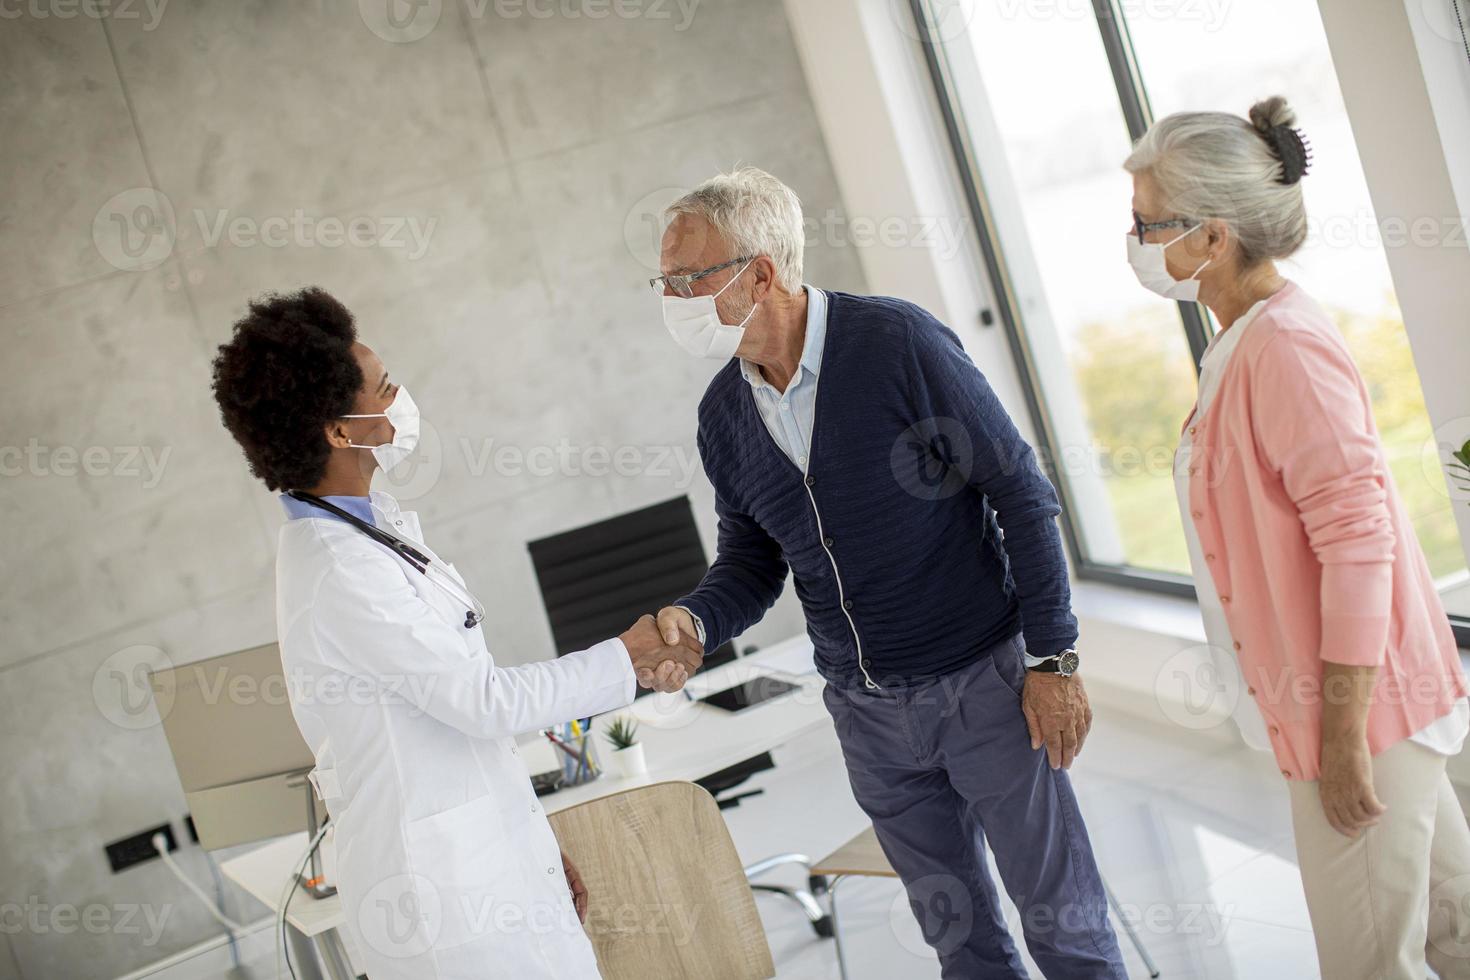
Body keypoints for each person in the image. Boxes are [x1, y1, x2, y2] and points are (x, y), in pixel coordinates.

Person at [651, 167, 1127, 978]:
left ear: (760, 272)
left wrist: (1053, 659)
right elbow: (752, 557)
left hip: (986, 685)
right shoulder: (722, 413)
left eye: (688, 279)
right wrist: (697, 620)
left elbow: (1020, 491)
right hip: (867, 716)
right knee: (960, 945)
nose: (672, 299)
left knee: (1064, 929)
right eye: (663, 282)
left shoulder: (895, 344)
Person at [209, 287, 702, 980]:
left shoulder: (368, 527)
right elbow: (484, 702)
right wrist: (628, 656)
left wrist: (530, 844)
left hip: (481, 868)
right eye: (383, 386)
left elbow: (453, 728)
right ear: (339, 431)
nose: (400, 395)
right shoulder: (342, 571)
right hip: (443, 909)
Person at [1125, 95, 1470, 979]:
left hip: (1362, 717)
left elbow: (1358, 546)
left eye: (1146, 224)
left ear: (1211, 238)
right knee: (1455, 934)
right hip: (1374, 708)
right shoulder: (1243, 340)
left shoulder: (1283, 348)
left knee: (1368, 965)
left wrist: (1344, 741)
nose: (1133, 245)